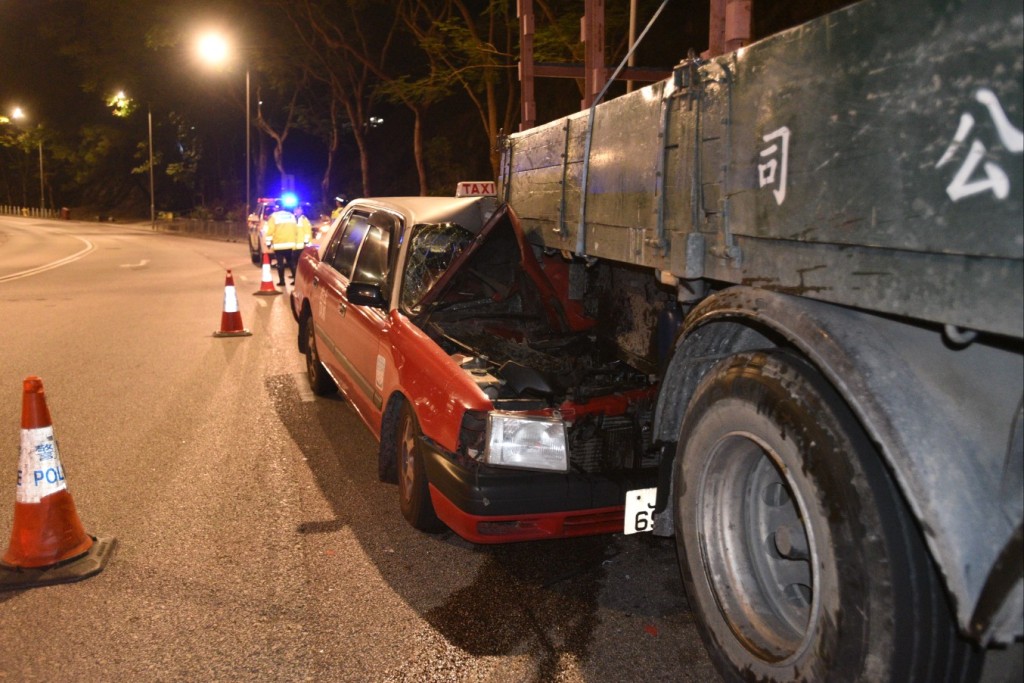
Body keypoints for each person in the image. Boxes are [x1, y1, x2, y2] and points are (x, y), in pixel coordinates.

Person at [264, 203, 303, 285]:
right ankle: (296, 280)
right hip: (290, 244)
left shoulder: (274, 216)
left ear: (278, 208)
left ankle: (282, 281)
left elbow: (270, 230)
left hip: (279, 244)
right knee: (291, 262)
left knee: (280, 263)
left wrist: (268, 242)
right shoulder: (291, 216)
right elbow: (296, 230)